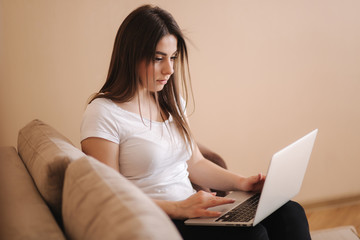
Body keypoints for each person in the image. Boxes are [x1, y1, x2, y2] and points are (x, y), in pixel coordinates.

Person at [80, 4, 311, 240]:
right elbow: (110, 196)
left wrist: (243, 183)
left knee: (291, 213)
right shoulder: (103, 112)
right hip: (157, 220)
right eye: (158, 58)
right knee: (254, 236)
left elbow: (196, 163)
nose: (169, 69)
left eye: (173, 58)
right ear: (130, 56)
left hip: (192, 212)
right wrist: (178, 208)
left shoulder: (169, 100)